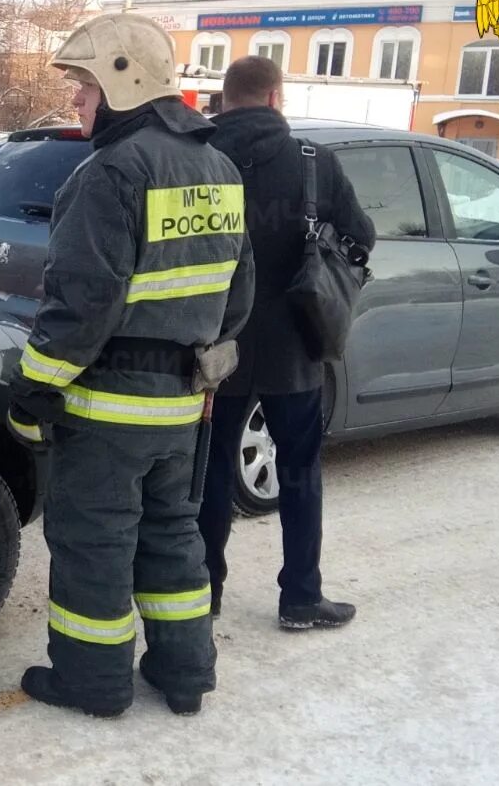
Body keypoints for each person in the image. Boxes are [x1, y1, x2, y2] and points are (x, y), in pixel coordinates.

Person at [8, 14, 255, 718]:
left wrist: (32, 393)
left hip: (106, 408)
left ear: (124, 79)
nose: (76, 102)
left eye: (83, 87)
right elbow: (240, 295)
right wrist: (198, 359)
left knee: (94, 542)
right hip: (181, 405)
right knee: (172, 537)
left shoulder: (111, 172)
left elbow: (82, 303)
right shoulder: (219, 167)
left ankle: (92, 682)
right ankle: (185, 674)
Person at [199, 55, 376, 630]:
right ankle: (301, 597)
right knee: (299, 472)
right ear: (276, 97)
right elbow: (361, 236)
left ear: (225, 100)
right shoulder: (314, 163)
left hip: (212, 342)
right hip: (292, 346)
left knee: (211, 471)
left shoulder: (200, 160)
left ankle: (204, 591)